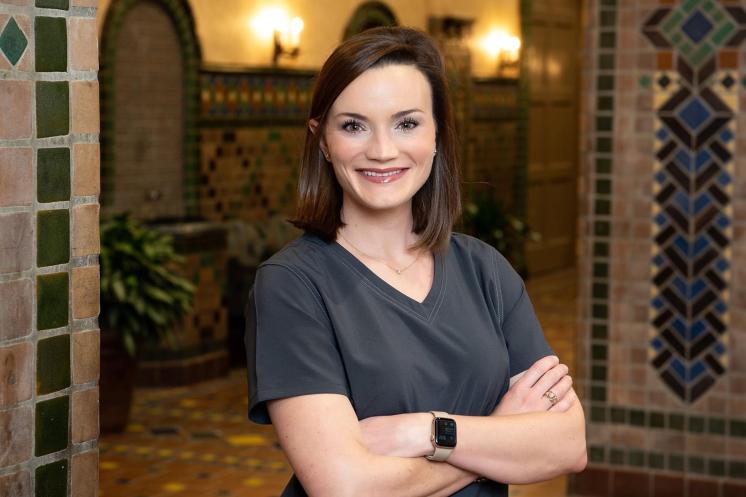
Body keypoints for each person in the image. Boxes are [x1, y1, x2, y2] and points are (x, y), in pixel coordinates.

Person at [244, 26, 586, 497]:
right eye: (353, 125)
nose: (383, 150)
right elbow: (345, 488)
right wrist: (498, 438)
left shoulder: (485, 270)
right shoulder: (292, 285)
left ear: (438, 134)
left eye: (406, 123)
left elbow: (567, 444)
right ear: (322, 140)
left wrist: (429, 431)